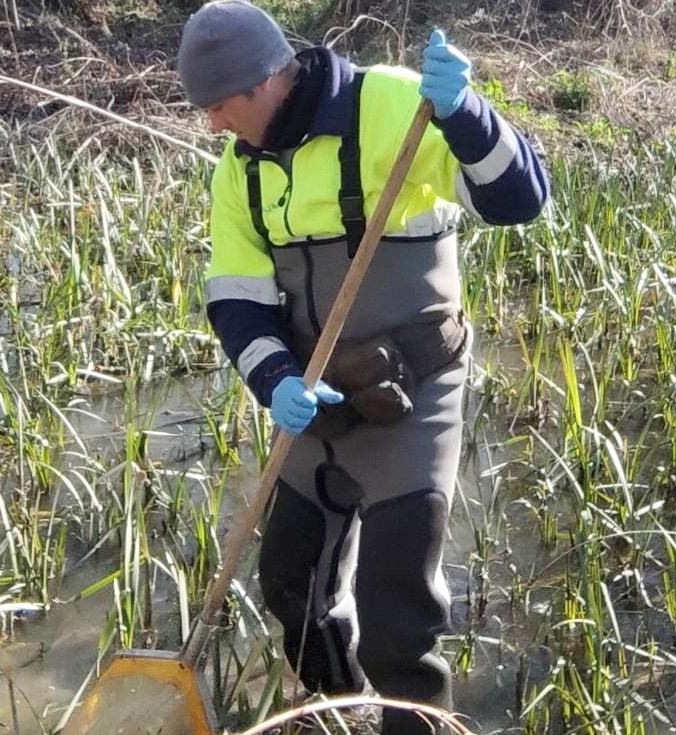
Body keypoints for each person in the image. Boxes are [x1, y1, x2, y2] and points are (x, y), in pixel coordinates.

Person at [177, 2, 549, 732]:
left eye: (219, 107)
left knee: (397, 618)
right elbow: (235, 297)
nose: (213, 126)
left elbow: (519, 199)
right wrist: (276, 378)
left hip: (412, 393)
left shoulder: (388, 104)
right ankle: (335, 711)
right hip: (314, 401)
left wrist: (466, 114)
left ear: (263, 82)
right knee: (292, 590)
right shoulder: (239, 172)